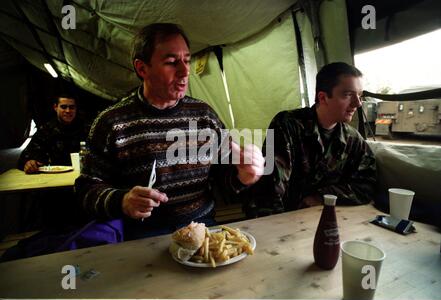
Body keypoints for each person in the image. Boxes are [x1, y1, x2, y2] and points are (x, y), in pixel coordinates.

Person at [75, 23, 264, 240]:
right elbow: (85, 189)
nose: (185, 72)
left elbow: (223, 181)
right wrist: (123, 200)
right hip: (142, 236)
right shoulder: (111, 123)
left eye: (187, 60)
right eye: (172, 62)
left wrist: (243, 176)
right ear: (142, 68)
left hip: (201, 229)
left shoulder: (204, 116)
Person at [245, 62, 377, 217]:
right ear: (323, 97)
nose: (358, 103)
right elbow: (270, 189)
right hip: (280, 218)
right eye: (348, 95)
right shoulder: (287, 125)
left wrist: (321, 197)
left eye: (359, 95)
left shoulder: (353, 139)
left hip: (320, 216)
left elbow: (367, 186)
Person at [18, 94, 87, 173]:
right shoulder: (46, 130)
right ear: (55, 107)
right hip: (52, 177)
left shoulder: (85, 129)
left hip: (81, 175)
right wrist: (29, 163)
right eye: (63, 107)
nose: (68, 111)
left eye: (71, 107)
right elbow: (24, 159)